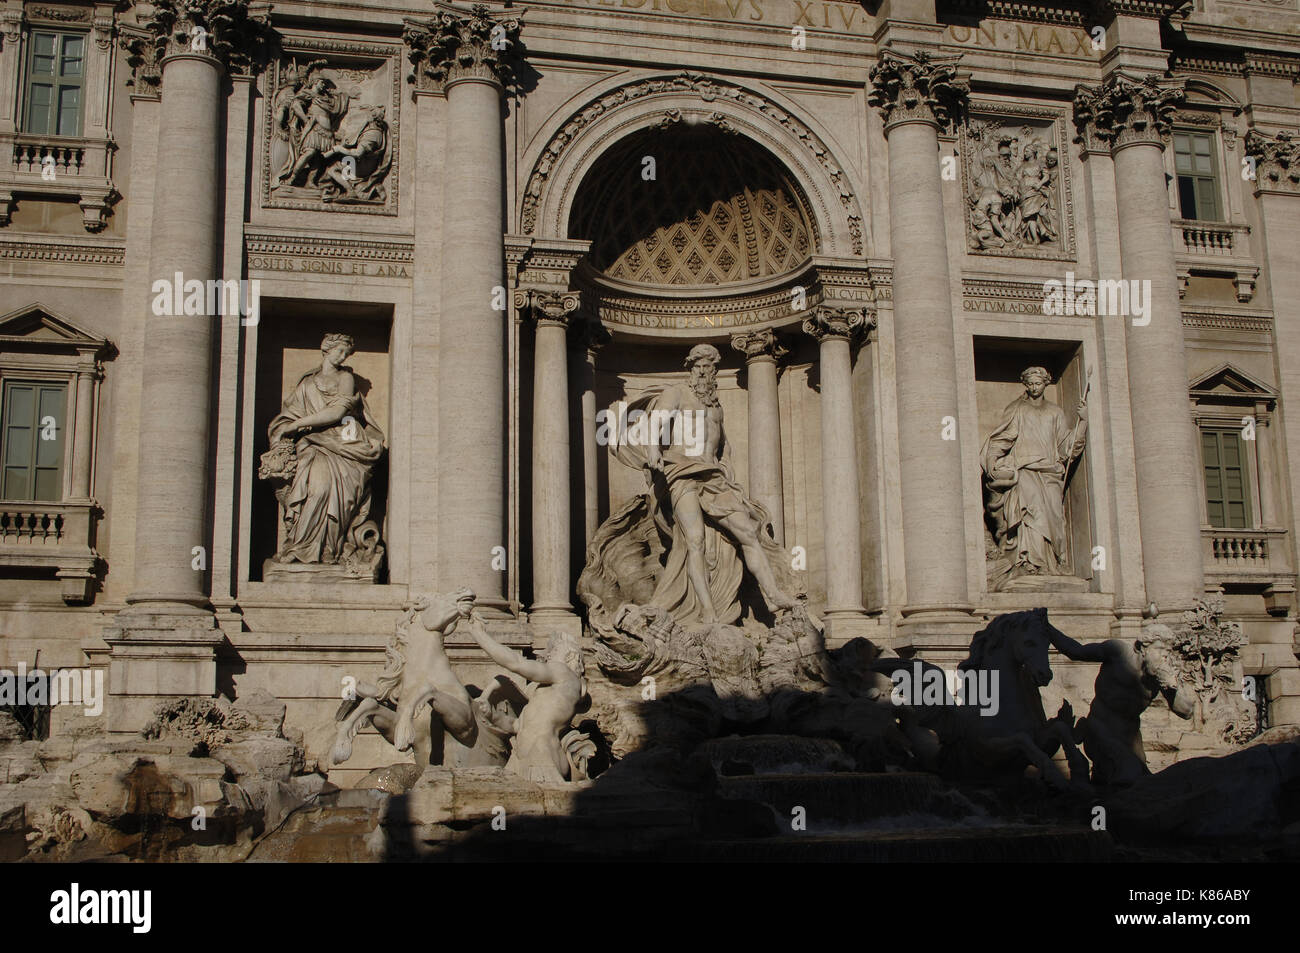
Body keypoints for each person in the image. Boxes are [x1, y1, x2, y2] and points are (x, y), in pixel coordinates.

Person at [615, 344, 797, 625]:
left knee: (748, 531)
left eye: (709, 367)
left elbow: (722, 447)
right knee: (695, 541)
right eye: (698, 365)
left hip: (713, 476)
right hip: (682, 472)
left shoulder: (716, 405)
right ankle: (708, 611)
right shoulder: (677, 393)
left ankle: (773, 595)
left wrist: (729, 476)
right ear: (690, 368)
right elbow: (655, 423)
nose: (703, 371)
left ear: (715, 371)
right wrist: (652, 450)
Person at [266, 333, 384, 567]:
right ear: (325, 349)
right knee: (316, 491)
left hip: (344, 444)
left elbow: (337, 413)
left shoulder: (346, 378)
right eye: (339, 351)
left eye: (346, 354)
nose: (343, 357)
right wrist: (285, 428)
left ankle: (330, 550)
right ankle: (299, 547)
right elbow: (289, 413)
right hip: (312, 445)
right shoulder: (307, 382)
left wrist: (297, 425)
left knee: (335, 498)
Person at [980, 366, 1086, 578]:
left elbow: (1067, 446)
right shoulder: (1017, 408)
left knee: (1054, 517)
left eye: (1038, 383)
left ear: (1046, 384)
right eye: (1030, 384)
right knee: (1032, 512)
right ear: (1025, 385)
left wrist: (1083, 422)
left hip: (1051, 473)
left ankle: (1050, 562)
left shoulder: (1055, 412)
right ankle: (1029, 562)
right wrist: (991, 460)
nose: (1034, 387)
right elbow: (1002, 438)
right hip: (1025, 470)